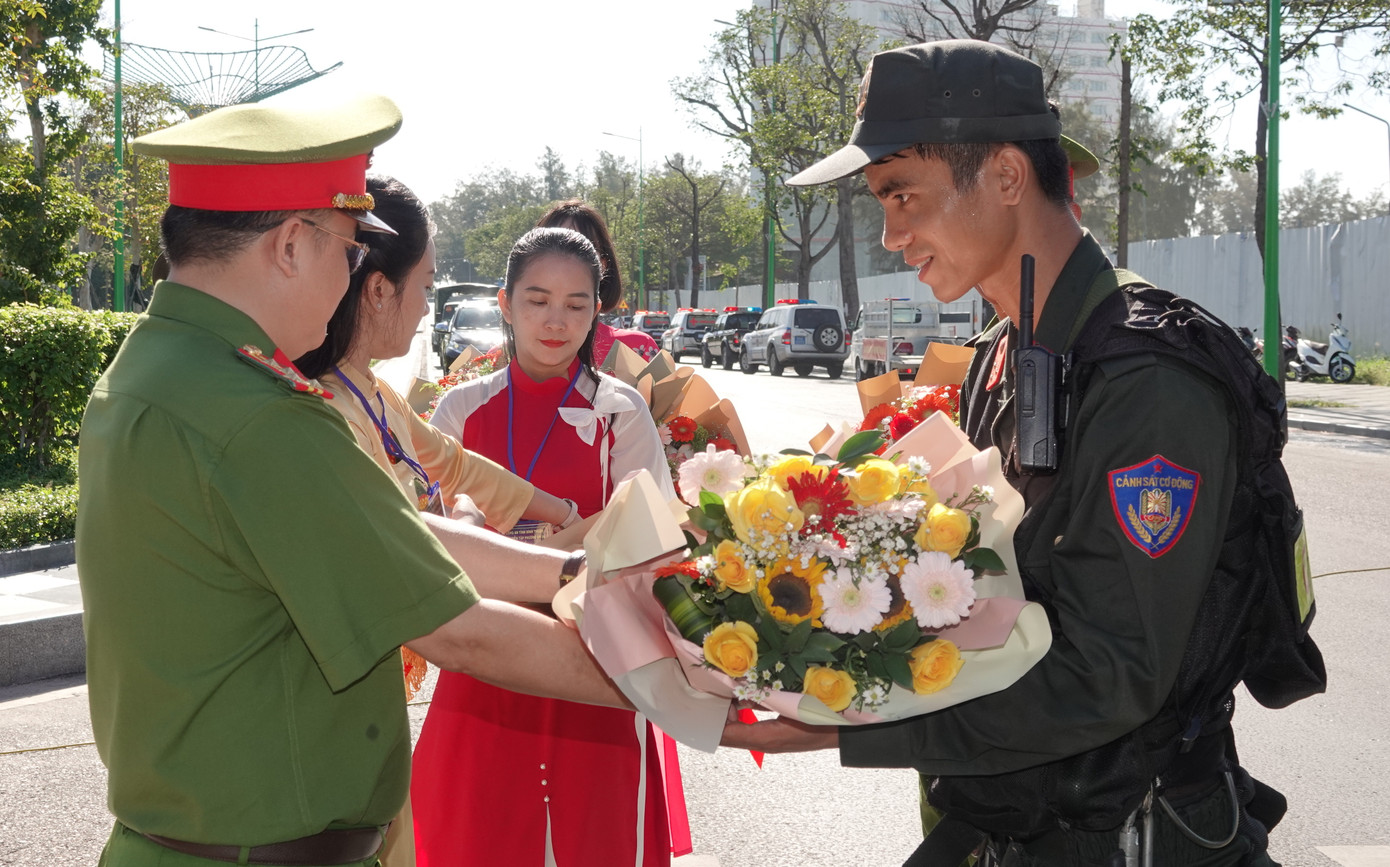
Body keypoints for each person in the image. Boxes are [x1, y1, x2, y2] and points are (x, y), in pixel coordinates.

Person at [723, 40, 1283, 866]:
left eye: (903, 195)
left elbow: (1111, 674)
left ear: (1008, 177)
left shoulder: (1147, 382)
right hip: (1008, 825)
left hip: (1132, 834)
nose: (890, 233)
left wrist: (850, 717)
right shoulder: (999, 353)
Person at [78, 95, 629, 867]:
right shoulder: (257, 416)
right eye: (347, 248)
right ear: (293, 245)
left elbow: (387, 534)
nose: (351, 277)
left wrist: (572, 569)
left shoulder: (154, 371)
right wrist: (678, 674)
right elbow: (458, 629)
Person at [292, 173, 584, 867]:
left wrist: (564, 512)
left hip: (382, 703)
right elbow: (421, 545)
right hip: (344, 711)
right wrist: (573, 566)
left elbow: (457, 466)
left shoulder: (373, 393)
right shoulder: (323, 410)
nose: (428, 308)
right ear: (378, 288)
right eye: (425, 285)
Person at [413, 227, 678, 866]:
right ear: (504, 303)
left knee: (597, 840)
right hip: (486, 655)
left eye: (576, 304)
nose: (556, 321)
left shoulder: (621, 412)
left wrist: (537, 545)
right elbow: (430, 533)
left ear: (597, 312)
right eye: (537, 300)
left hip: (592, 665)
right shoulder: (460, 408)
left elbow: (650, 536)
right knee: (472, 838)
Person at [536, 199, 660, 364]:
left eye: (578, 249)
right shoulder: (502, 357)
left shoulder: (638, 350)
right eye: (551, 247)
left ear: (601, 266)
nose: (563, 260)